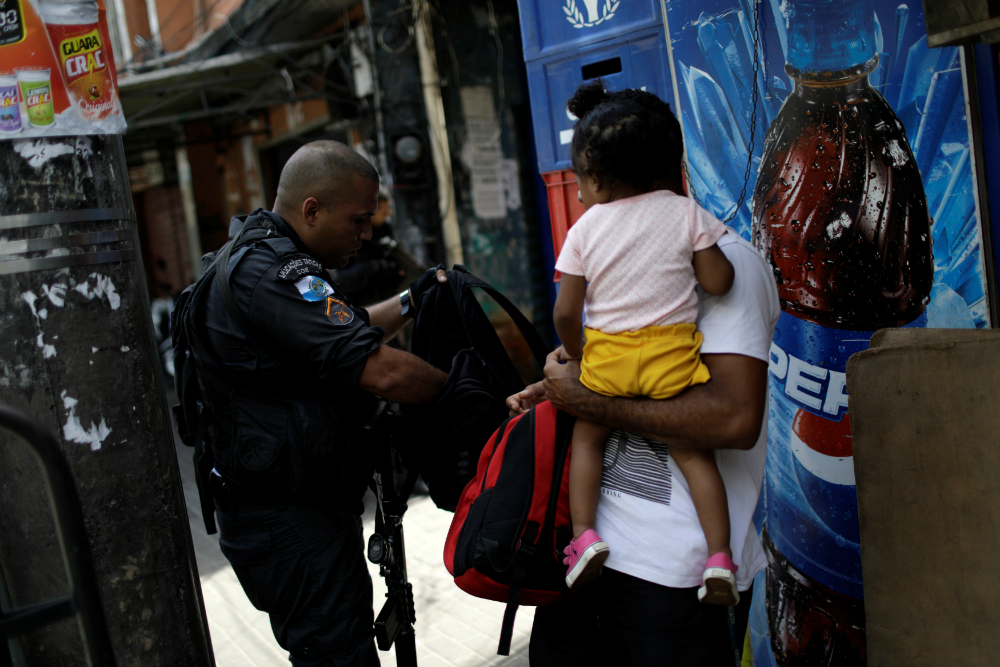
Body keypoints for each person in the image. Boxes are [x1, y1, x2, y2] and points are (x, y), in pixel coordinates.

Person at [507, 105, 781, 667]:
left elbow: (734, 419)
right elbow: (601, 347)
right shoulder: (623, 244)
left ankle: (720, 557)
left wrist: (583, 396)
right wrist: (557, 380)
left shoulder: (732, 261)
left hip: (674, 576)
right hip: (591, 563)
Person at [194, 140, 448, 666]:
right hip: (284, 516)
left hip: (294, 503)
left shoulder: (268, 256)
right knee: (338, 656)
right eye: (358, 220)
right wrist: (467, 390)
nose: (367, 233)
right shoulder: (271, 272)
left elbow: (345, 328)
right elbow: (378, 369)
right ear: (312, 210)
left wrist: (413, 299)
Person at [551, 82, 738, 602]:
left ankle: (585, 537)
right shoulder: (684, 213)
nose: (580, 190)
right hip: (671, 361)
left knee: (588, 441)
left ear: (598, 178)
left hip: (607, 360)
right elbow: (719, 282)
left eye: (579, 178)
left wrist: (580, 352)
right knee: (693, 455)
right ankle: (719, 557)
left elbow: (566, 311)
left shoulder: (584, 230)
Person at [333, 187, 406, 306]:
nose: (389, 213)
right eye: (385, 209)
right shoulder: (348, 236)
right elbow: (340, 280)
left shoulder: (384, 228)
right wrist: (374, 267)